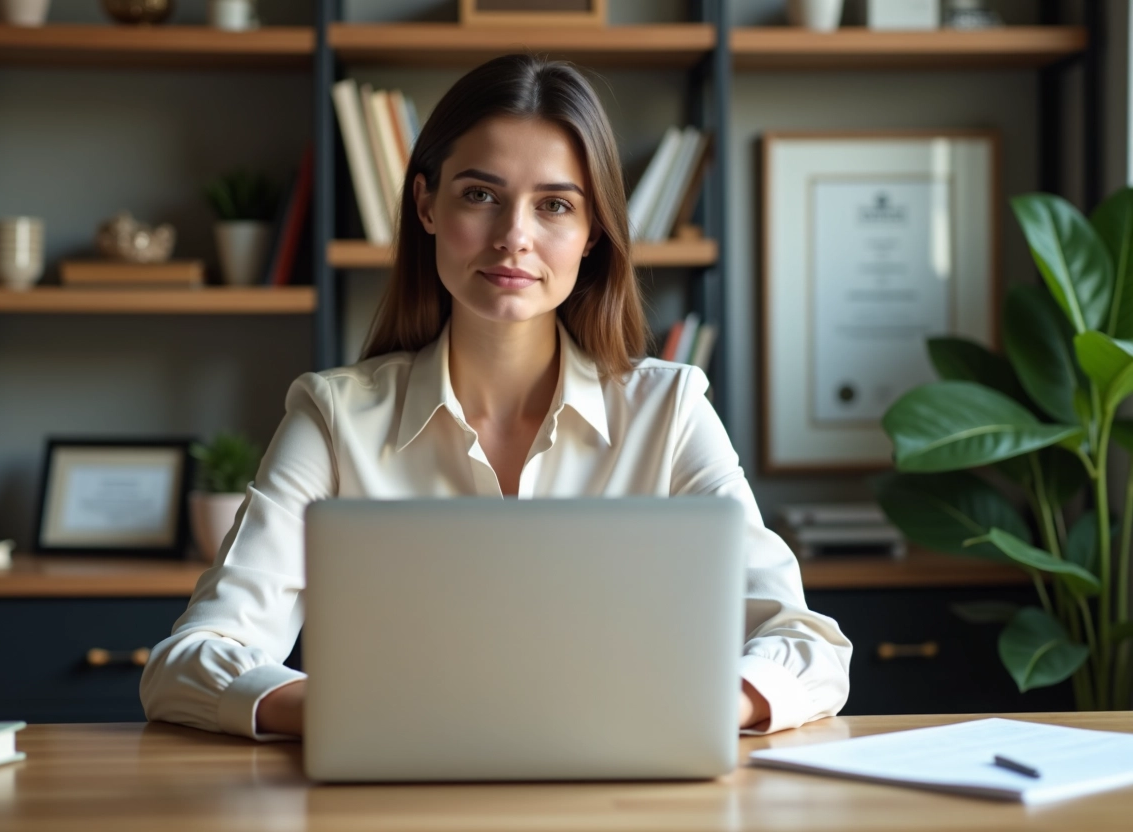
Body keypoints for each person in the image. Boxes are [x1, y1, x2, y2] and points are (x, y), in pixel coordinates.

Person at [141, 54, 851, 740]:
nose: (515, 238)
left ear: (593, 231)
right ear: (425, 204)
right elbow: (189, 663)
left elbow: (808, 647)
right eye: (481, 195)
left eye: (554, 206)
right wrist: (357, 715)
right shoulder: (332, 420)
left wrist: (688, 710)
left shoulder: (669, 412)